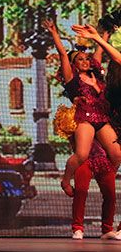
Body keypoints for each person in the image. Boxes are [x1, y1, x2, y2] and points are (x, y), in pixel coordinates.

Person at [44, 20, 121, 197]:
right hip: (84, 119)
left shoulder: (97, 77)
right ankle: (65, 180)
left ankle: (106, 176)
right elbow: (63, 54)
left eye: (87, 58)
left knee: (116, 153)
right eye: (80, 59)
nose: (85, 61)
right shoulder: (73, 80)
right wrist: (54, 32)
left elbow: (100, 51)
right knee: (81, 154)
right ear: (74, 64)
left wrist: (104, 34)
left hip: (102, 119)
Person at [53, 108, 121, 240]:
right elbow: (79, 151)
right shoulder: (81, 124)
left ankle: (107, 229)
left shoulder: (105, 125)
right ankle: (77, 228)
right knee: (81, 192)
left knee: (110, 196)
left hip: (103, 161)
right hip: (85, 161)